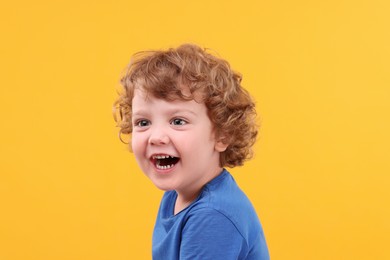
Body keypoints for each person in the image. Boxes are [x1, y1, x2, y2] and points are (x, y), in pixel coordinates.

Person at [114, 44, 269, 259]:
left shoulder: (212, 216)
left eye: (178, 121)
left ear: (222, 135)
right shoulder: (176, 195)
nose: (156, 136)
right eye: (143, 122)